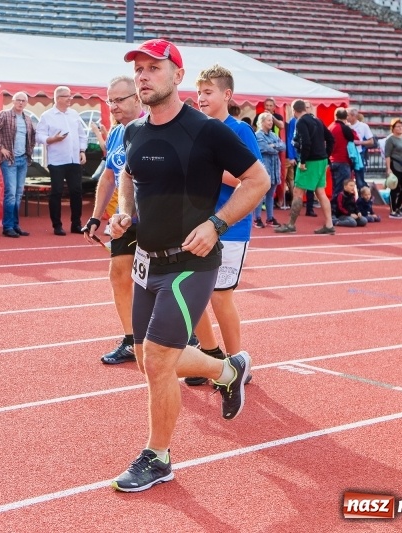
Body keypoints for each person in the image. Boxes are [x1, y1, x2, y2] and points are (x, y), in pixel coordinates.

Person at [108, 39, 270, 493]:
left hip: (191, 264)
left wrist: (217, 224)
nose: (143, 76)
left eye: (153, 68)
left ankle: (157, 458)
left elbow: (258, 179)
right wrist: (125, 212)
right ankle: (228, 371)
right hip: (147, 261)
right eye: (139, 69)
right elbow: (127, 174)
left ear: (178, 76)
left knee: (159, 360)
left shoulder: (207, 131)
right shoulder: (133, 132)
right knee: (147, 360)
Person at [187, 64, 263, 387]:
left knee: (219, 297)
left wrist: (209, 165)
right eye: (199, 92)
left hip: (230, 227)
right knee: (191, 295)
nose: (201, 98)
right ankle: (211, 355)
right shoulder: (195, 129)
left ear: (227, 95)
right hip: (195, 225)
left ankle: (237, 362)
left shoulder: (240, 131)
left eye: (208, 92)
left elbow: (254, 179)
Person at [82, 75, 143, 365]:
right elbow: (109, 176)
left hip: (155, 219)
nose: (113, 106)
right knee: (118, 275)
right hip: (122, 220)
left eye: (119, 99)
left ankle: (190, 339)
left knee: (160, 282)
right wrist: (95, 217)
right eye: (110, 100)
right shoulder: (117, 133)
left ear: (137, 98)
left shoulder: (154, 127)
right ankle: (131, 340)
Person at [275, 99, 335, 234]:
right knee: (321, 193)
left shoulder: (301, 122)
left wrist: (302, 161)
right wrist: (326, 155)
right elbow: (331, 139)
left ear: (293, 110)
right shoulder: (317, 120)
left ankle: (291, 225)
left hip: (310, 161)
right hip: (321, 160)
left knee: (298, 192)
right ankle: (329, 224)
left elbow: (306, 142)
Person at [36, 86, 88, 235]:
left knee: (76, 192)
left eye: (70, 96)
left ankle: (76, 224)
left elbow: (82, 135)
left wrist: (82, 151)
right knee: (57, 192)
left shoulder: (74, 114)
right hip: (57, 160)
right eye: (67, 96)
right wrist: (52, 139)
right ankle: (57, 225)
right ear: (58, 98)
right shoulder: (47, 116)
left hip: (74, 159)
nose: (70, 98)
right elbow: (38, 136)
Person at [0, 92, 37, 238]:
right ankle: (8, 226)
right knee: (11, 194)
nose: (21, 103)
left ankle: (15, 225)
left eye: (23, 101)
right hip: (9, 160)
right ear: (13, 101)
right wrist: (1, 147)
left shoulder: (28, 119)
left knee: (18, 194)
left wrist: (29, 151)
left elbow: (33, 136)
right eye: (18, 100)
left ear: (26, 103)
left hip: (23, 160)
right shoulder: (4, 115)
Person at [254, 112, 285, 228]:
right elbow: (264, 148)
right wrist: (275, 146)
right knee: (260, 195)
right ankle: (257, 218)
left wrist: (273, 146)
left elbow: (283, 146)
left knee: (270, 195)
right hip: (264, 169)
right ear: (262, 122)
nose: (271, 122)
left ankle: (270, 218)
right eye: (268, 120)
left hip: (274, 169)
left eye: (271, 120)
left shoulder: (273, 135)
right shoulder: (258, 135)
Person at [383, 118, 402, 218]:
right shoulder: (390, 139)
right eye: (398, 126)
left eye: (401, 126)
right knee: (394, 188)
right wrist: (388, 168)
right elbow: (387, 155)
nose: (400, 128)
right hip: (395, 165)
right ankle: (393, 210)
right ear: (393, 128)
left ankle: (398, 206)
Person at [327, 108, 356, 200]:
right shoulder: (345, 128)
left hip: (332, 160)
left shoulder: (330, 127)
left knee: (335, 187)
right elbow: (355, 137)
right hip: (343, 160)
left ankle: (335, 205)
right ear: (346, 117)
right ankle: (338, 207)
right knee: (343, 189)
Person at [348, 108, 375, 190]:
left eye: (348, 115)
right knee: (346, 179)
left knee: (359, 179)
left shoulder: (363, 126)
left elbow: (371, 141)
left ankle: (362, 196)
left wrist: (359, 142)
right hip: (346, 154)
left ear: (354, 116)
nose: (346, 117)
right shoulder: (345, 125)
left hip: (359, 154)